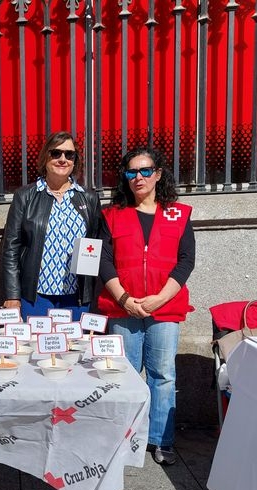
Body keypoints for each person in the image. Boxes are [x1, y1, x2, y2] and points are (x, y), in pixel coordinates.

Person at [96, 147, 195, 466]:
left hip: (164, 309)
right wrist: (124, 298)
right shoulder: (111, 215)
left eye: (144, 171)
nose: (137, 178)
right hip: (122, 308)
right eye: (130, 172)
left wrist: (159, 299)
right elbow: (103, 262)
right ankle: (125, 438)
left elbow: (186, 261)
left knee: (163, 374)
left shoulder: (179, 214)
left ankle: (161, 440)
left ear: (158, 173)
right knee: (124, 375)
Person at [2, 131, 102, 320]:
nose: (62, 159)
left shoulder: (88, 198)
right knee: (36, 348)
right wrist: (12, 295)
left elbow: (96, 243)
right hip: (36, 296)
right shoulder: (25, 196)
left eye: (69, 154)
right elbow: (11, 249)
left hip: (76, 298)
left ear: (75, 161)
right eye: (56, 153)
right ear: (45, 157)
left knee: (75, 349)